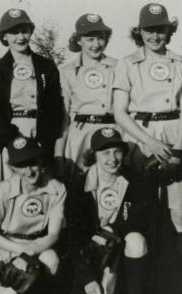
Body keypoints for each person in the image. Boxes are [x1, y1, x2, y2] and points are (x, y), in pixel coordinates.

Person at [111, 3, 182, 294]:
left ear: (168, 31)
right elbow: (119, 112)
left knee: (179, 213)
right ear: (140, 32)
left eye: (160, 29)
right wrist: (149, 143)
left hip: (174, 135)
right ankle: (141, 282)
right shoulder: (126, 63)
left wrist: (177, 149)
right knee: (142, 214)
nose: (155, 35)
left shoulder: (181, 62)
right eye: (149, 29)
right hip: (139, 138)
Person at [66, 127, 158, 294]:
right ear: (93, 155)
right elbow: (74, 236)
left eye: (117, 151)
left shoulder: (133, 179)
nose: (112, 158)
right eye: (105, 152)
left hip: (120, 249)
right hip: (94, 256)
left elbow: (145, 220)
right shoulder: (80, 184)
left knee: (137, 240)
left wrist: (113, 230)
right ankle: (98, 292)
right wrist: (88, 278)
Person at [0, 136, 65, 294]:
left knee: (51, 259)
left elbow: (53, 234)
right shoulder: (1, 189)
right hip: (6, 246)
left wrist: (28, 253)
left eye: (33, 163)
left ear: (40, 160)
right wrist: (20, 253)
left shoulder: (56, 188)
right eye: (21, 165)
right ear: (12, 168)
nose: (29, 171)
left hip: (36, 244)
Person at [0, 8, 64, 180]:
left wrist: (44, 137)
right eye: (13, 32)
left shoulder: (45, 66)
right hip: (11, 132)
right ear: (4, 36)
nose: (20, 37)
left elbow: (54, 106)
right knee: (14, 184)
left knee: (41, 182)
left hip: (39, 130)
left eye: (24, 31)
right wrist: (9, 137)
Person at [56, 13, 118, 181]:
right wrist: (59, 155)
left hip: (112, 134)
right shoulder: (67, 71)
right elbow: (63, 117)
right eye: (90, 39)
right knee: (79, 188)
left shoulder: (119, 67)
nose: (96, 45)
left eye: (101, 39)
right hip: (80, 137)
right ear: (79, 40)